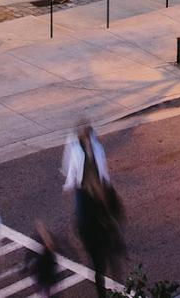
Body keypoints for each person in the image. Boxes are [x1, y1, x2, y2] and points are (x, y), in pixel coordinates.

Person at [62, 124, 123, 294]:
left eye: (88, 134)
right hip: (83, 186)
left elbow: (102, 166)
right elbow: (71, 165)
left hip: (97, 184)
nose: (87, 138)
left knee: (108, 262)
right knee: (99, 267)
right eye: (84, 135)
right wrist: (70, 183)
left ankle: (114, 282)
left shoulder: (97, 147)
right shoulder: (75, 148)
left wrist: (105, 183)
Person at [29, 224, 63, 297]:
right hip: (49, 279)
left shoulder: (43, 257)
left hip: (44, 280)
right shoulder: (50, 256)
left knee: (45, 291)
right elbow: (54, 266)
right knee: (47, 291)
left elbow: (36, 268)